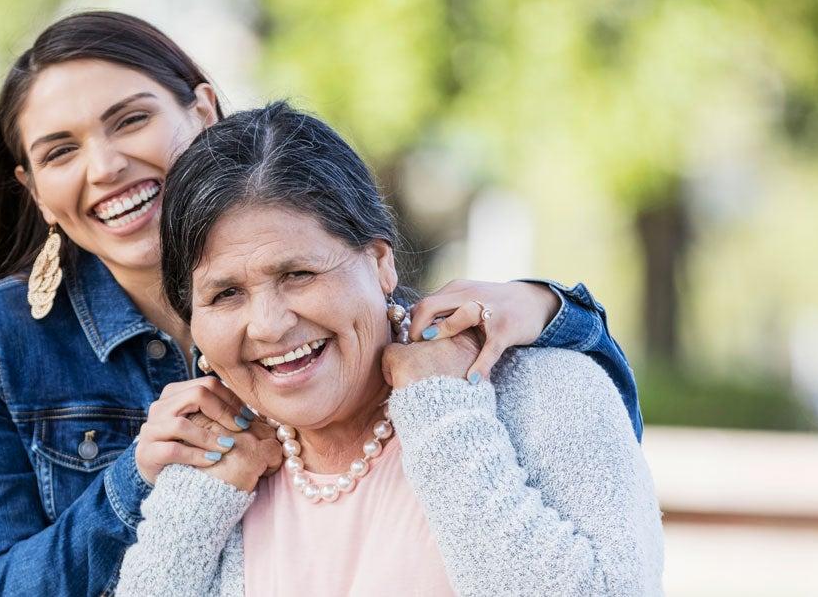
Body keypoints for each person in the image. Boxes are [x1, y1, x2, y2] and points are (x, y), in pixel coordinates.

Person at [0, 11, 643, 597]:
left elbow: (584, 445)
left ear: (202, 108)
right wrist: (138, 477)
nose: (105, 166)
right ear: (32, 190)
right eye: (60, 152)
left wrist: (551, 310)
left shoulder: (413, 345)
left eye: (130, 120)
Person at [115, 102, 664, 596]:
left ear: (380, 262)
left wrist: (443, 410)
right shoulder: (211, 459)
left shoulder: (546, 392)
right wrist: (200, 501)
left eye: (299, 273)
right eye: (225, 294)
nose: (268, 324)